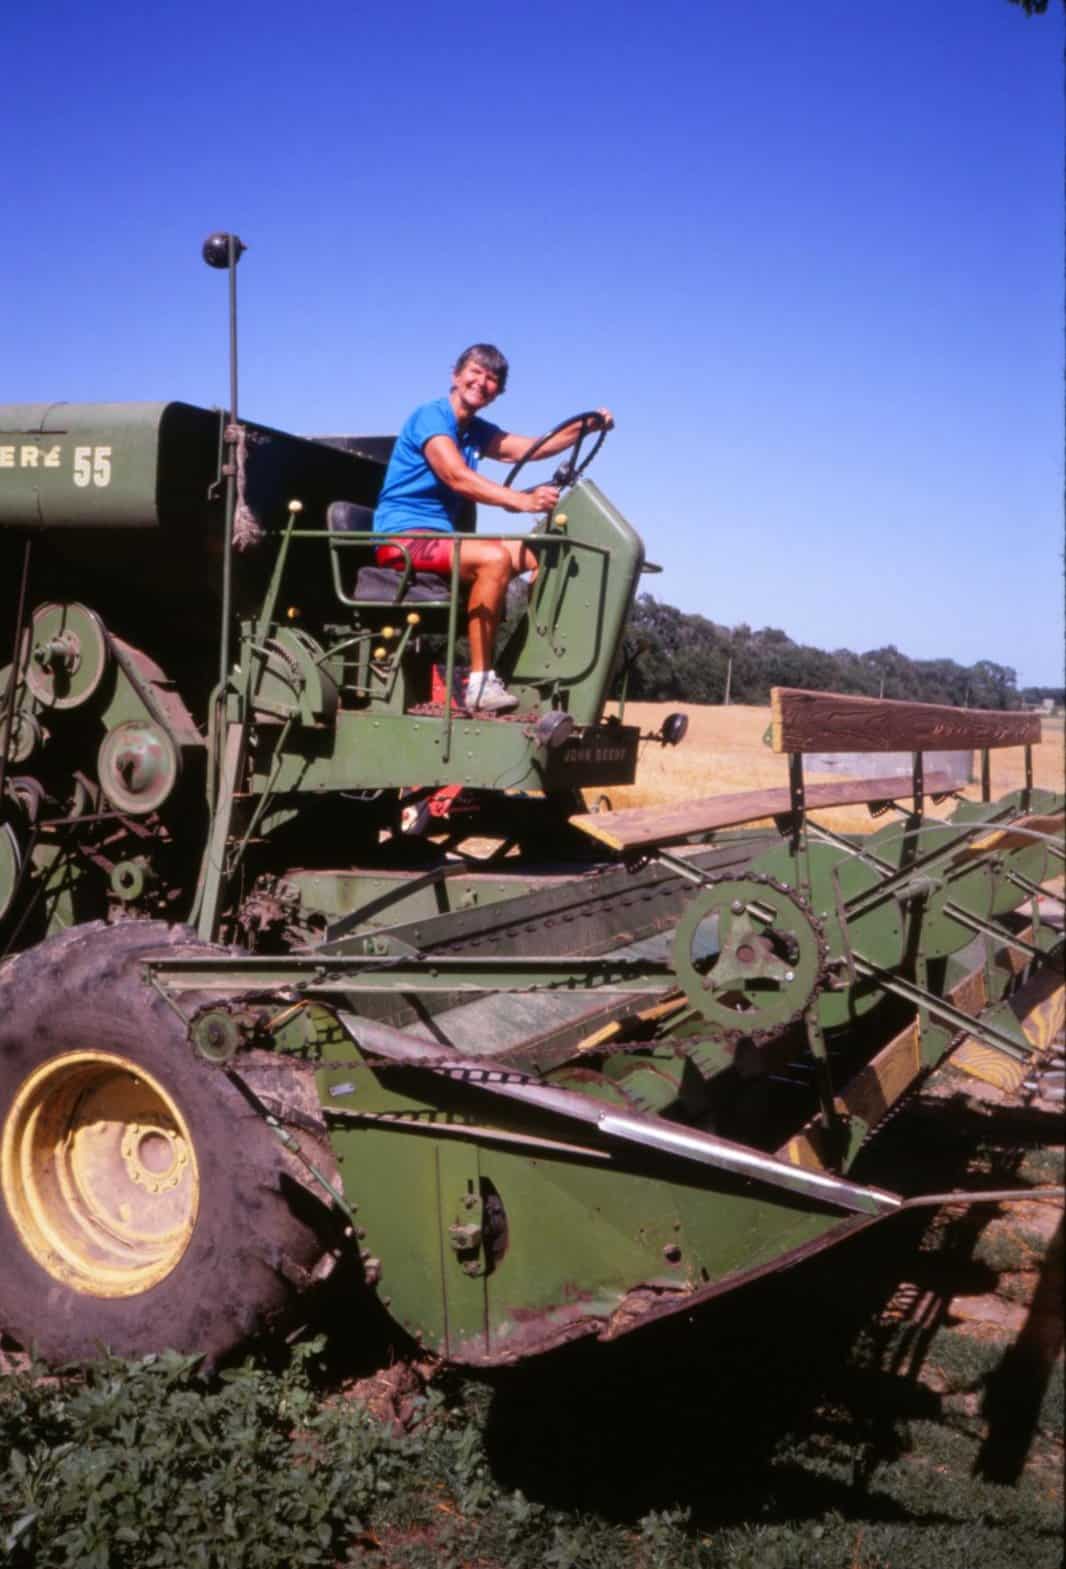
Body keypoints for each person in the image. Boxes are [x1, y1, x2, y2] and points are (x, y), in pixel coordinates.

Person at [373, 344, 613, 712]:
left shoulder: (474, 430)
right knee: (495, 558)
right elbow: (456, 476)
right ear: (456, 375)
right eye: (476, 372)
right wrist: (520, 500)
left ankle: (530, 664)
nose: (482, 382)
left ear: (498, 393)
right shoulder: (431, 417)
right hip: (405, 539)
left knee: (539, 554)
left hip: (442, 540)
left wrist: (583, 428)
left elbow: (528, 449)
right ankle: (480, 683)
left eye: (492, 380)